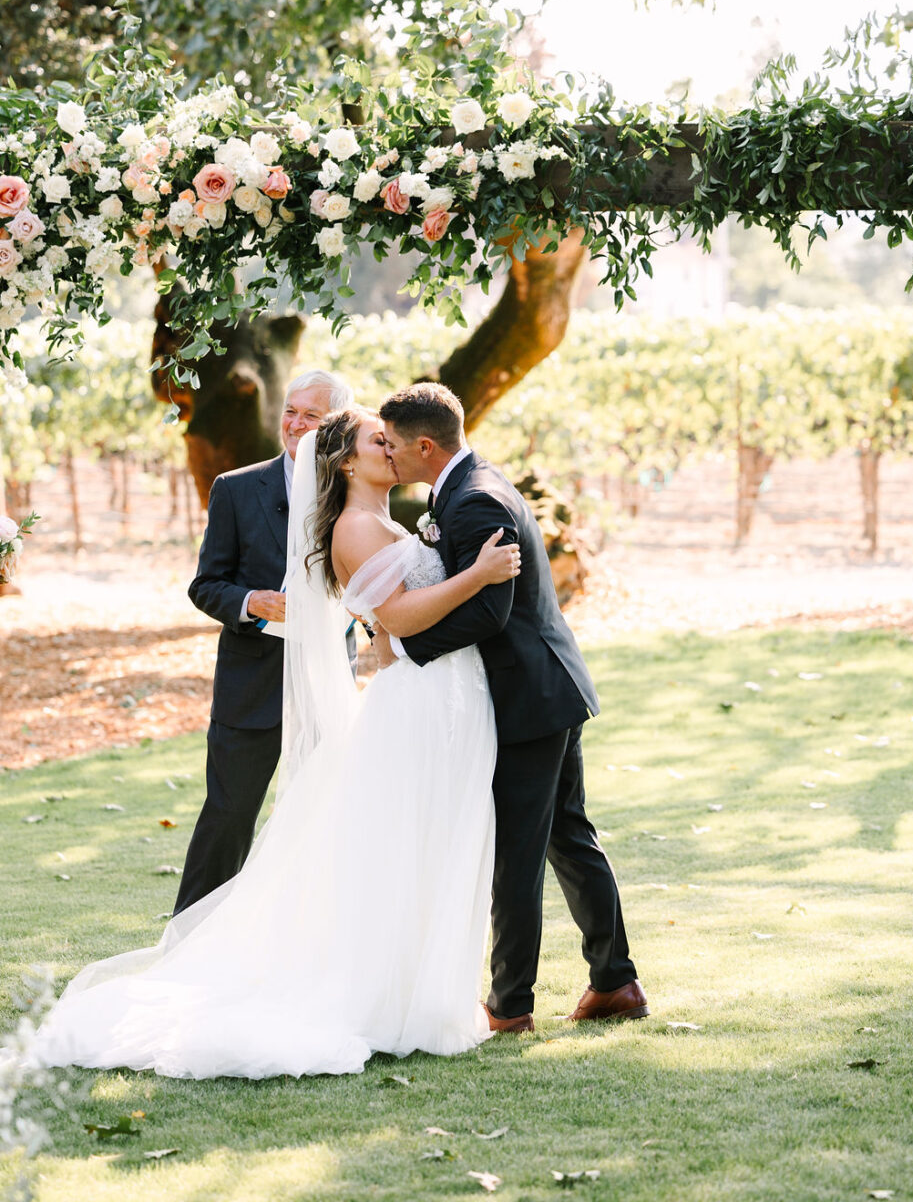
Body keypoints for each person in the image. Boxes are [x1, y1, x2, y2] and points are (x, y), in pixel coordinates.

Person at [31, 407, 519, 1078]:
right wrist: (479, 574)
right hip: (418, 704)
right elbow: (402, 616)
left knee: (418, 844)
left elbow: (387, 625)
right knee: (408, 843)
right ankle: (392, 1000)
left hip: (435, 694)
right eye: (379, 440)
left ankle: (415, 990)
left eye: (392, 438)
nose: (392, 447)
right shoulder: (353, 526)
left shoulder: (382, 521)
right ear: (347, 461)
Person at [378, 382, 648, 1033]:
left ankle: (509, 1005)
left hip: (527, 697)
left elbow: (489, 611)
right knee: (566, 835)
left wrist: (401, 641)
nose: (386, 455)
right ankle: (614, 983)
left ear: (422, 445)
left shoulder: (471, 502)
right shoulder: (475, 482)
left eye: (390, 445)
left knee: (519, 855)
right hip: (549, 685)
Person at [174, 368, 354, 915]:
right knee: (228, 814)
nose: (296, 425)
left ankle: (316, 928)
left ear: (335, 426)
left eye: (312, 416)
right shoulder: (234, 488)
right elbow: (205, 585)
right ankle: (188, 935)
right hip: (252, 682)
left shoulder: (353, 490)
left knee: (327, 812)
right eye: (291, 412)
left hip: (327, 680)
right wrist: (251, 603)